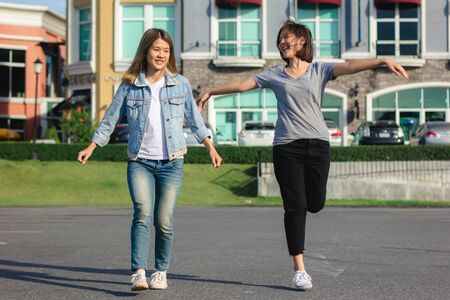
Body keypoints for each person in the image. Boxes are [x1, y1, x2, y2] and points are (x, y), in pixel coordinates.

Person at [197, 19, 408, 291]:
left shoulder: (320, 70)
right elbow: (242, 84)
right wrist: (212, 91)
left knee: (316, 203)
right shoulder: (274, 74)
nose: (282, 42)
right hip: (286, 147)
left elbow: (350, 66)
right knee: (294, 207)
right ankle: (300, 270)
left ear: (301, 41)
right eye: (280, 38)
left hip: (318, 145)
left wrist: (381, 60)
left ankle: (305, 216)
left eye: (287, 37)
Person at [77, 28, 222, 291]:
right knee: (142, 213)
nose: (161, 55)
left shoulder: (180, 83)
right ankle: (138, 272)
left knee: (164, 220)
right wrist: (92, 146)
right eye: (156, 49)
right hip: (140, 161)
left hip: (172, 162)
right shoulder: (130, 83)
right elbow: (111, 118)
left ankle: (161, 271)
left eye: (166, 51)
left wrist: (209, 146)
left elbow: (194, 118)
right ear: (145, 51)